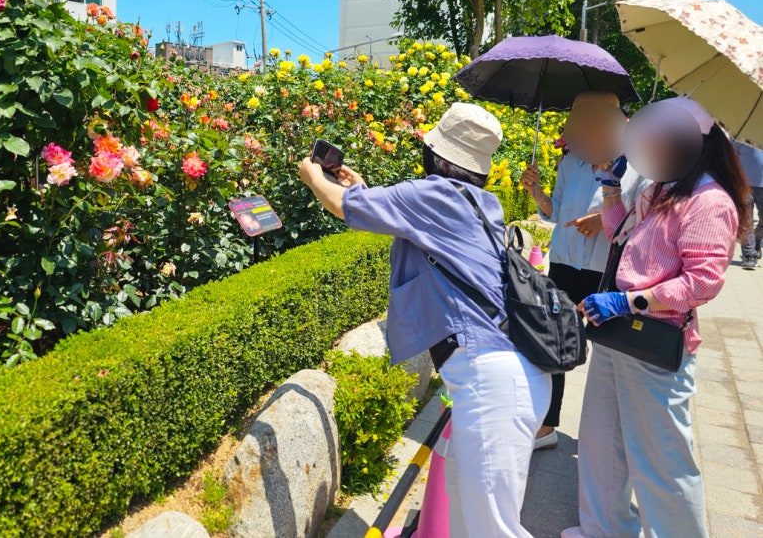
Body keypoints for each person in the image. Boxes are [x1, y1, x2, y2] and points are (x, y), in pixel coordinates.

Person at [299, 102, 551, 538]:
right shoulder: (479, 202)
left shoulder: (432, 197)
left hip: (491, 381)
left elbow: (344, 207)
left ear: (438, 155)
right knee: (463, 521)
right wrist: (365, 189)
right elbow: (410, 221)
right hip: (510, 372)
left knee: (494, 530)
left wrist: (312, 176)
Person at [562, 97, 750, 538]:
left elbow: (702, 283)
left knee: (660, 459)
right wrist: (611, 186)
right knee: (601, 440)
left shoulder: (708, 200)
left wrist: (629, 302)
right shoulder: (662, 188)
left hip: (654, 339)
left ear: (694, 144)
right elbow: (618, 233)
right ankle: (603, 529)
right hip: (618, 335)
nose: (651, 145)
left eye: (661, 139)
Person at [520, 92, 646, 450]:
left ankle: (612, 436)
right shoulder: (569, 164)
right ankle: (546, 426)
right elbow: (555, 213)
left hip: (606, 271)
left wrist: (602, 219)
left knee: (610, 353)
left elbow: (640, 220)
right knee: (553, 342)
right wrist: (536, 191)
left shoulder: (635, 166)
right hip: (563, 264)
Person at [733, 140, 763, 269]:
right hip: (744, 185)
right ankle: (749, 254)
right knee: (746, 220)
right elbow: (731, 156)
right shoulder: (741, 134)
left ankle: (756, 239)